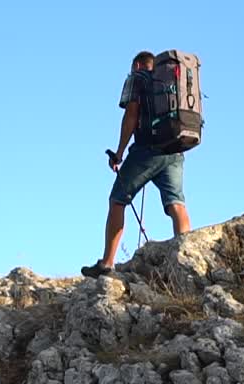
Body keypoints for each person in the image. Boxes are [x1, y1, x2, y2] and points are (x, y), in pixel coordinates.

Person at [81, 51, 192, 278]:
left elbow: (131, 115)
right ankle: (186, 258)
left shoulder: (138, 77)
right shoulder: (171, 85)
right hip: (175, 148)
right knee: (176, 204)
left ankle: (107, 262)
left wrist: (120, 152)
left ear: (139, 64)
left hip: (147, 151)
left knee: (117, 200)